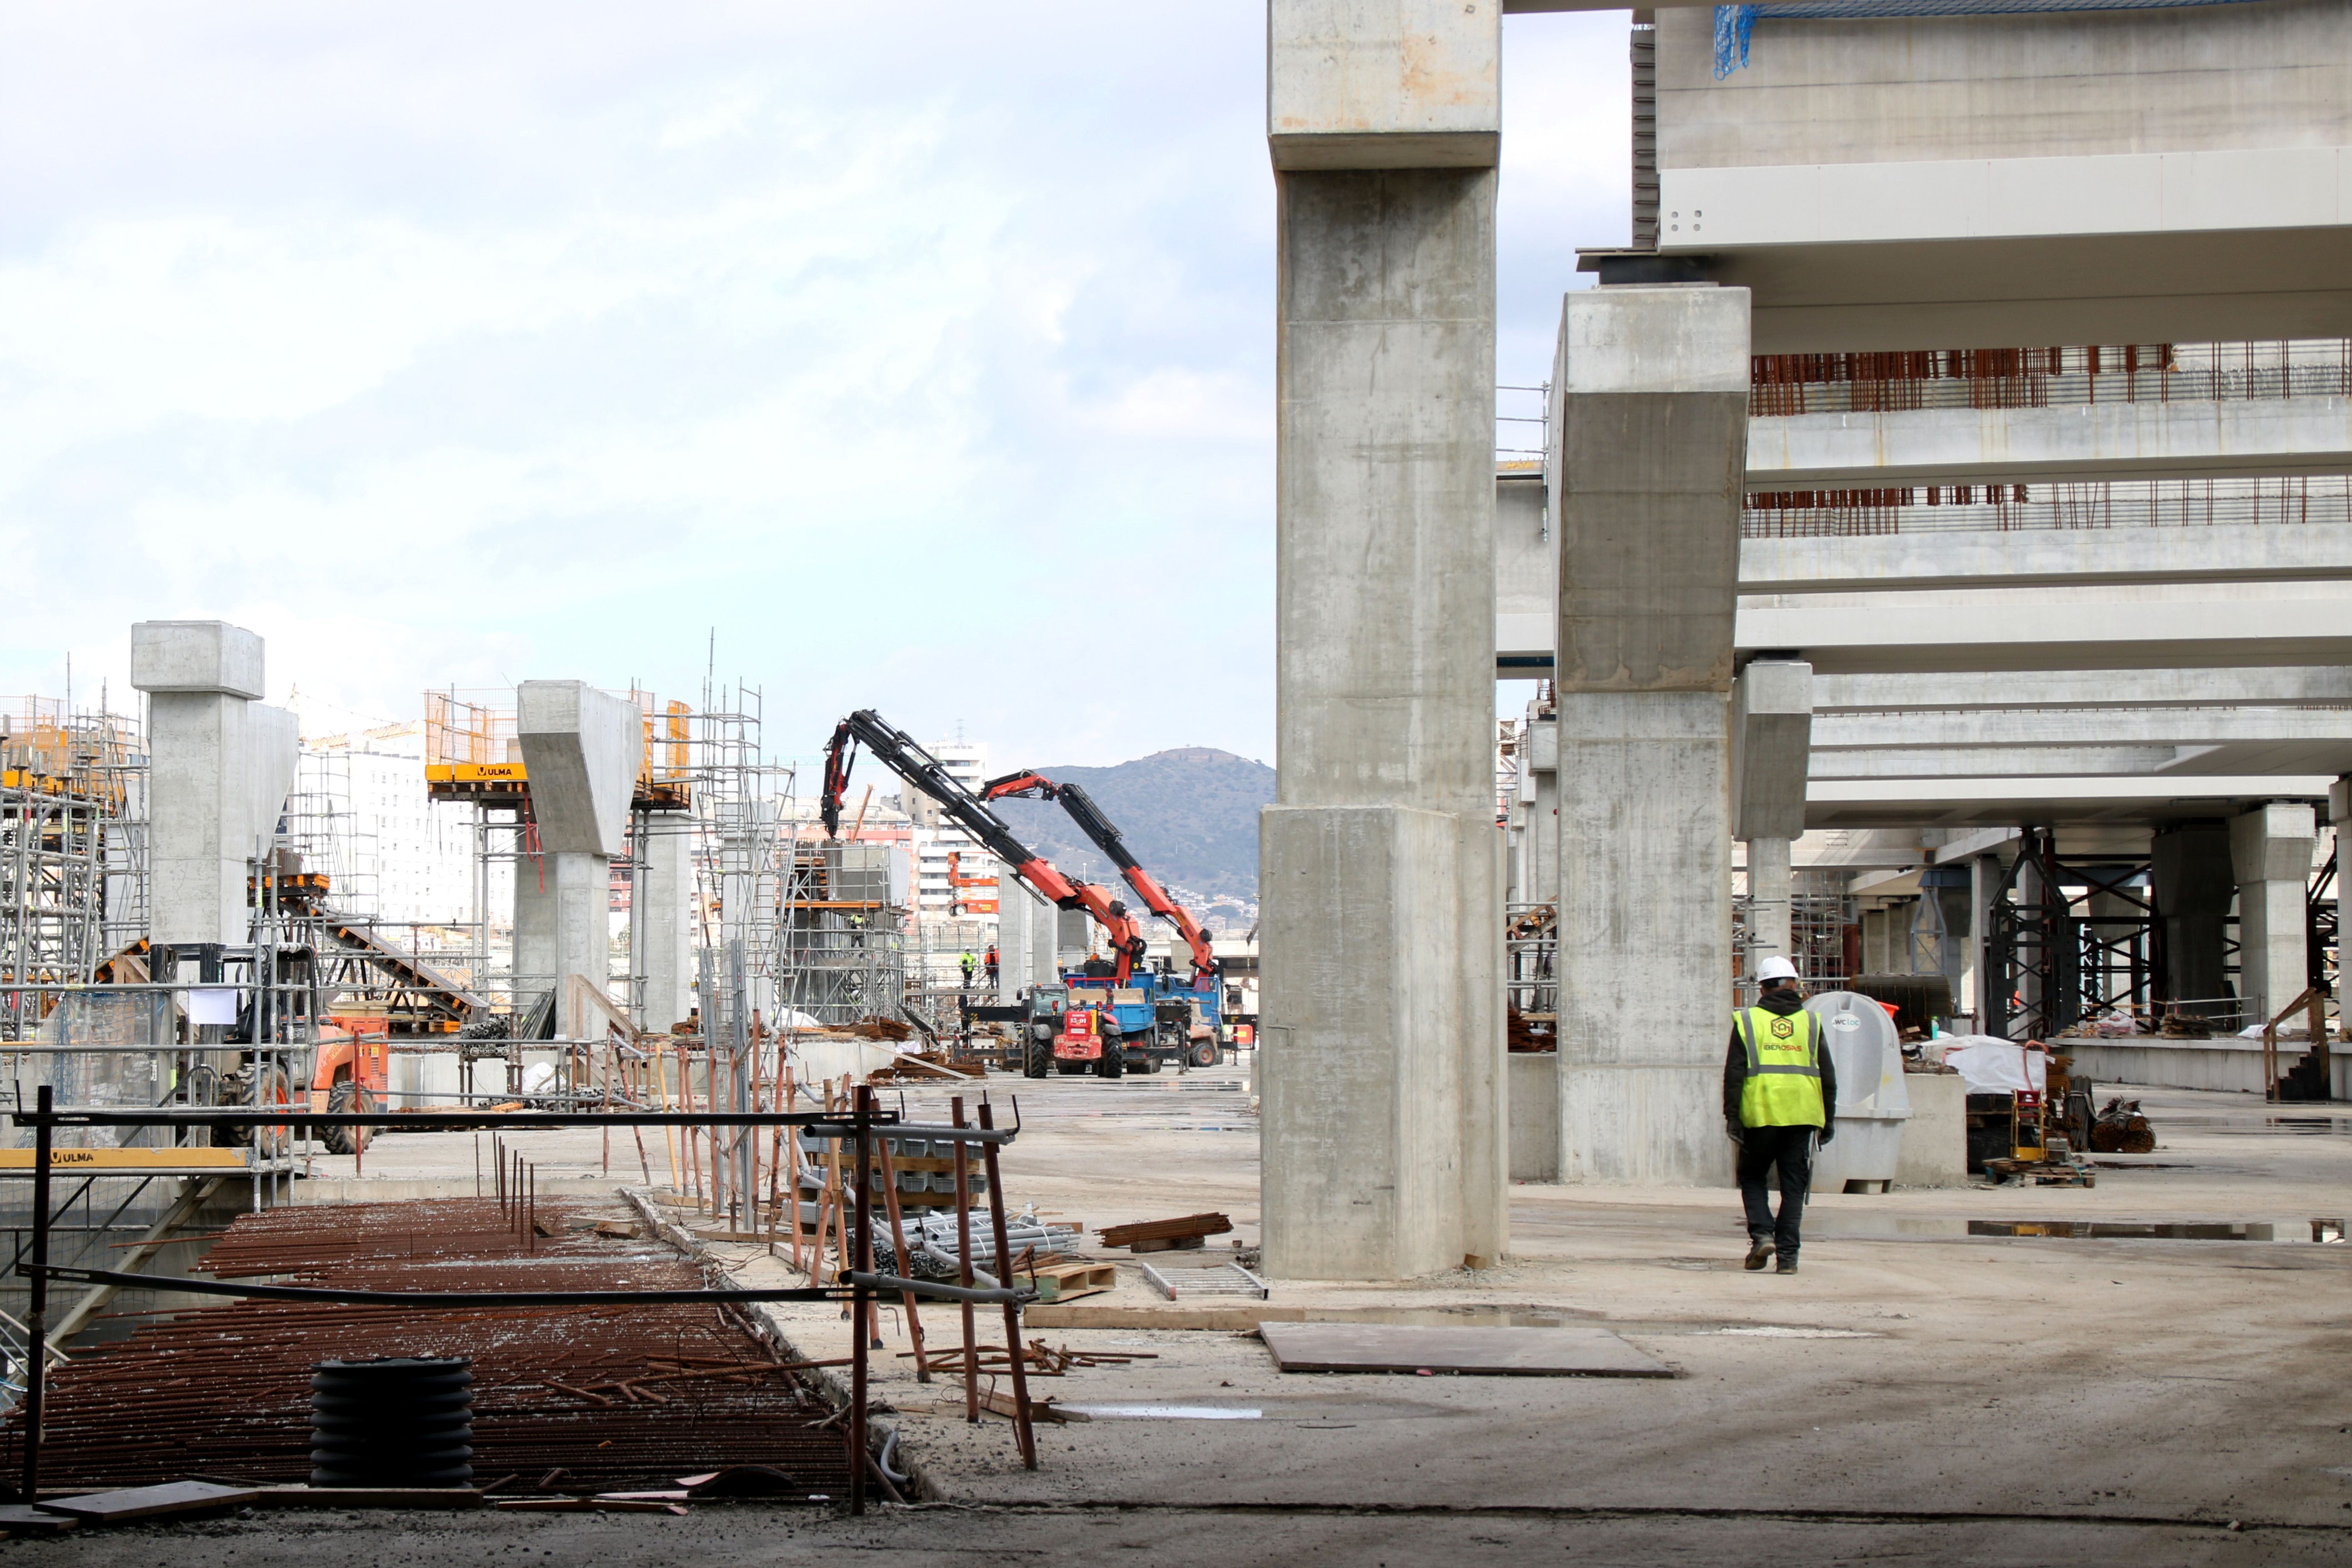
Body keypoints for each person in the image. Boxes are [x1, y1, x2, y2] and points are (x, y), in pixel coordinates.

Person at [1724, 956, 1837, 1274]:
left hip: (1760, 1114)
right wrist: (1828, 1119)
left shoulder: (1747, 1021)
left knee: (1752, 1176)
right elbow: (1827, 1075)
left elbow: (1734, 1074)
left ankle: (1762, 1235)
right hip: (1802, 1114)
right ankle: (1788, 1258)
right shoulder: (1811, 1022)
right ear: (1795, 985)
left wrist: (1732, 1117)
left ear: (1762, 987)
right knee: (1793, 1186)